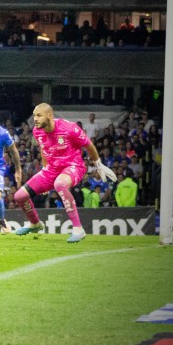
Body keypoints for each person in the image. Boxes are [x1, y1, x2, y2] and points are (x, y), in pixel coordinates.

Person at [13, 103, 117, 243]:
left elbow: (89, 144)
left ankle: (78, 229)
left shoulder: (69, 128)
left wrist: (98, 165)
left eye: (39, 115)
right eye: (34, 115)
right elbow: (44, 150)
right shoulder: (38, 131)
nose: (35, 119)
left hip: (73, 167)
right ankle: (35, 223)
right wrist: (44, 172)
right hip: (51, 170)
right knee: (19, 196)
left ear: (50, 115)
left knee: (60, 184)